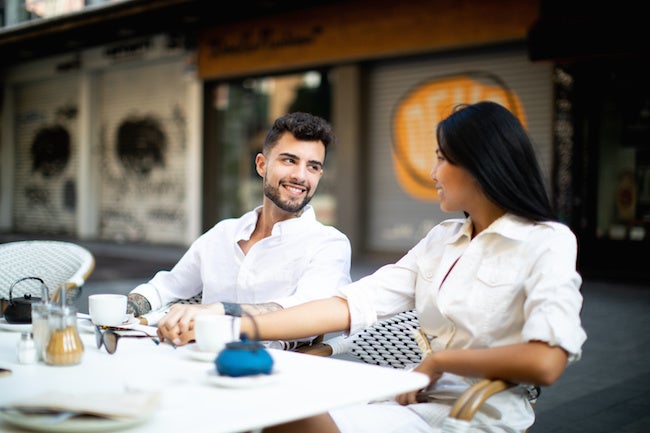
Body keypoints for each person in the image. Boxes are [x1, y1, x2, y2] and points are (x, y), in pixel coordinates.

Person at [226, 101, 587, 433]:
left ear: (481, 165)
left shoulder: (547, 241)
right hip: (410, 396)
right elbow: (352, 303)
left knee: (284, 415)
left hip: (472, 416)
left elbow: (546, 360)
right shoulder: (443, 239)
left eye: (442, 159)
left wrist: (441, 361)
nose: (433, 173)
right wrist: (239, 324)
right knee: (274, 406)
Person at [132, 112, 352, 349]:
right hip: (194, 356)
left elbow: (306, 310)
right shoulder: (223, 233)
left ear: (319, 174)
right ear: (261, 165)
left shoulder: (329, 245)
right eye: (289, 160)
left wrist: (220, 311)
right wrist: (123, 310)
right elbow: (166, 287)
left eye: (312, 166)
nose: (300, 176)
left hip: (278, 370)